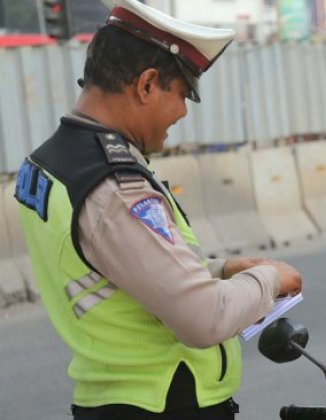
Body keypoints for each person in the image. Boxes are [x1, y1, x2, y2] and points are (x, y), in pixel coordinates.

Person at [14, 0, 301, 418]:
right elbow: (203, 318)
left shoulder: (50, 162)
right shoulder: (115, 186)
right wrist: (270, 278)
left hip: (115, 396)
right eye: (182, 94)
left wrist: (219, 271)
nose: (183, 112)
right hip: (160, 404)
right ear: (147, 84)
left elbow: (116, 269)